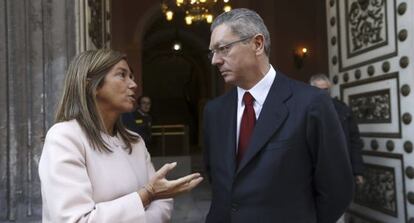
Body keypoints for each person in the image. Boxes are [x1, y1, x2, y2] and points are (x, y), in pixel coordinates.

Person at [203, 8, 354, 223]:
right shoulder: (214, 111)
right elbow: (217, 179)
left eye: (223, 49)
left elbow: (338, 187)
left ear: (257, 44)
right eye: (212, 52)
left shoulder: (311, 103)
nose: (215, 60)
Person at [38, 49, 203, 223]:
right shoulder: (65, 137)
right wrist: (147, 195)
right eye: (122, 75)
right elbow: (76, 220)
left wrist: (151, 198)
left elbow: (163, 202)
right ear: (90, 86)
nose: (133, 85)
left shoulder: (134, 141)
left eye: (131, 76)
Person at [309, 74, 365, 223]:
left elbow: (354, 140)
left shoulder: (343, 110)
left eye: (325, 90)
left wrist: (357, 170)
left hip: (338, 171)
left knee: (338, 213)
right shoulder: (302, 110)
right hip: (312, 174)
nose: (322, 94)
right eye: (318, 90)